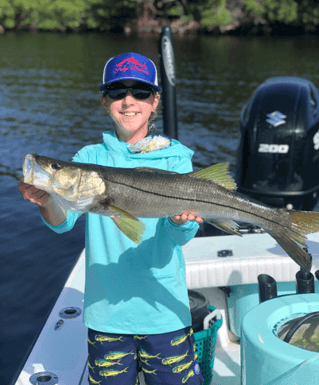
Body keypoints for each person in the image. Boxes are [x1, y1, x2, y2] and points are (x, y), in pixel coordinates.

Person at [18, 52, 204, 385]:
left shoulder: (177, 158)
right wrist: (46, 200)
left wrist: (180, 222)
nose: (129, 101)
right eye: (118, 92)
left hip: (164, 311)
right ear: (105, 101)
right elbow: (62, 222)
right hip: (107, 316)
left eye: (141, 92)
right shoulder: (89, 158)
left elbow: (179, 237)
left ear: (155, 101)